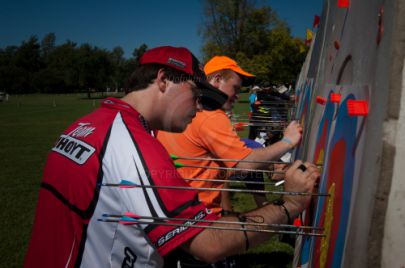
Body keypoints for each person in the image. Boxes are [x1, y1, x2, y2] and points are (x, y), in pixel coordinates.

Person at [24, 46, 318, 268]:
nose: (199, 108)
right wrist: (290, 202)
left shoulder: (85, 125)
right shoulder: (133, 145)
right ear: (164, 80)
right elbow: (208, 244)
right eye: (196, 94)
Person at [157, 56, 303, 215]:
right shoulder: (210, 115)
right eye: (235, 88)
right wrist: (288, 140)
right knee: (281, 214)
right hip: (198, 214)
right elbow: (245, 164)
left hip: (176, 207)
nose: (238, 96)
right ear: (217, 80)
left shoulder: (181, 110)